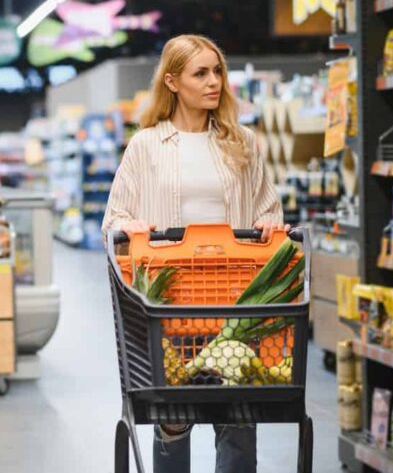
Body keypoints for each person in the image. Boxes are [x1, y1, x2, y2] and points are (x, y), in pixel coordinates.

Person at [101, 34, 290, 473]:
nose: (214, 82)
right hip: (170, 304)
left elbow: (268, 207)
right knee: (173, 415)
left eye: (217, 71)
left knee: (238, 416)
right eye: (200, 73)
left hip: (235, 299)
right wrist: (126, 227)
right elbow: (113, 219)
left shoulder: (240, 141)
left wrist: (269, 223)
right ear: (172, 81)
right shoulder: (146, 145)